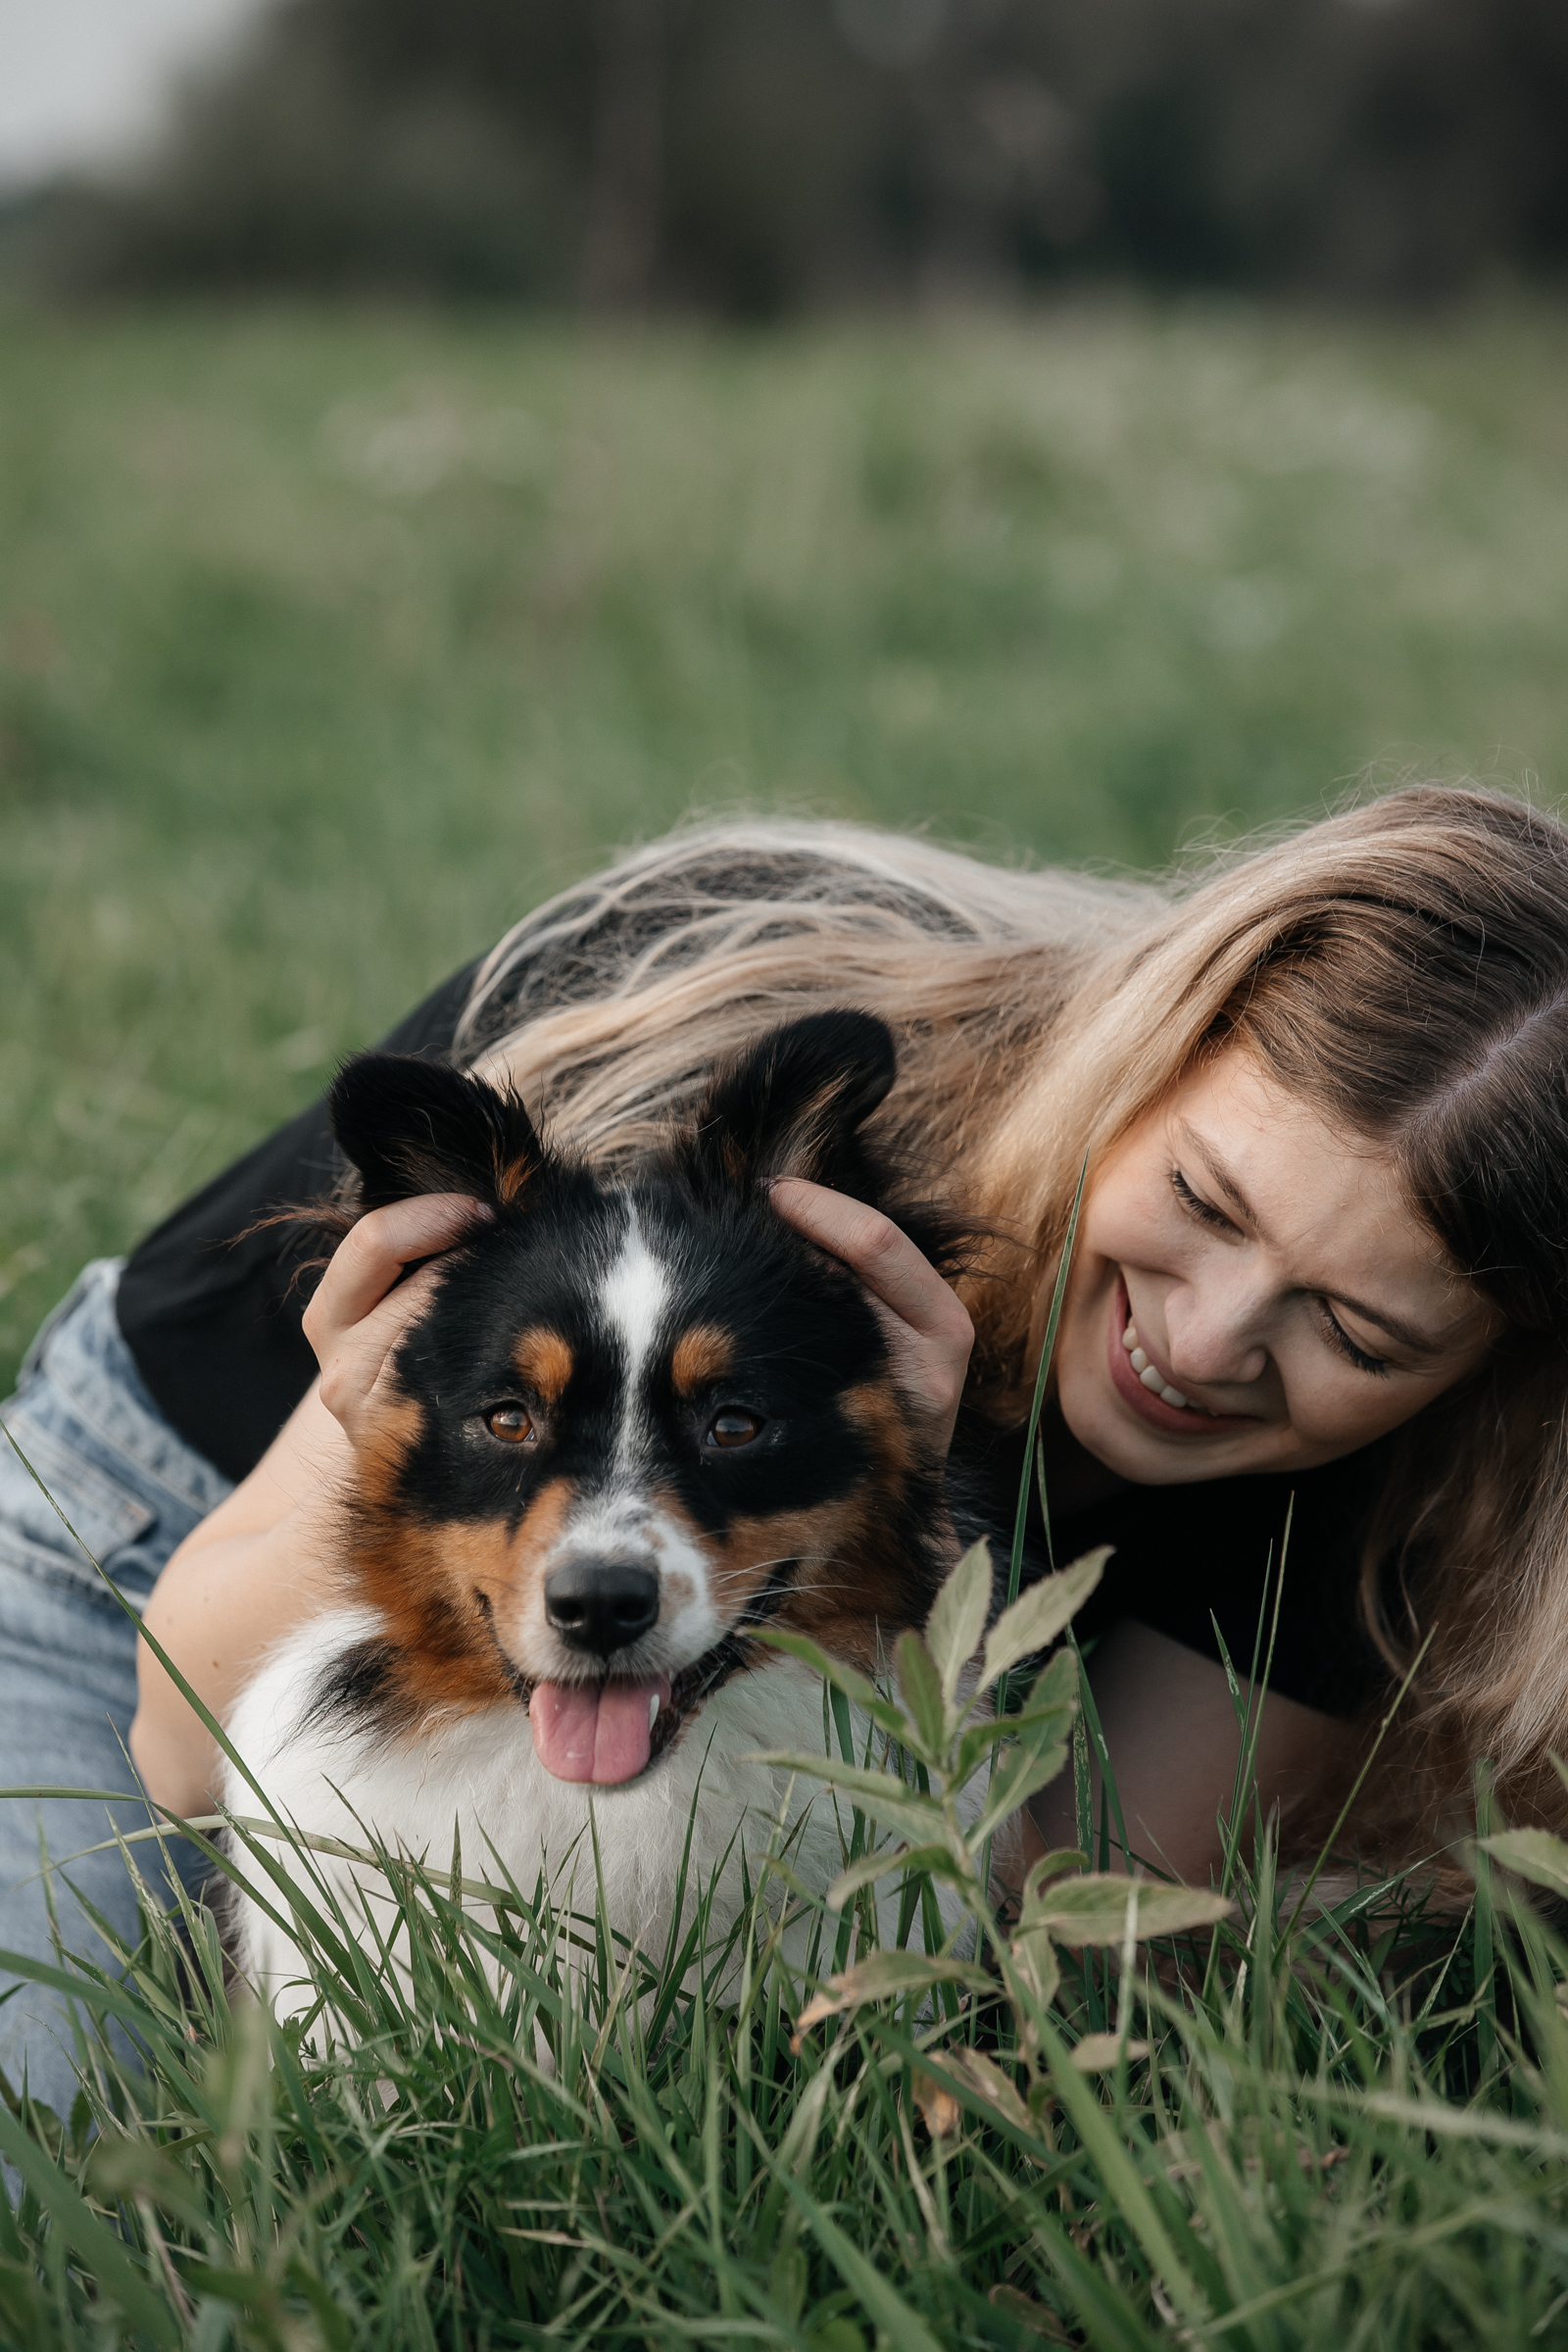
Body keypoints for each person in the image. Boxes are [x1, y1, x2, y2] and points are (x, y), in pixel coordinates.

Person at [4, 783, 1564, 2119]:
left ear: (1479, 1373)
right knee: (54, 2142)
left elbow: (1049, 1931)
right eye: (1209, 1203)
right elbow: (190, 1744)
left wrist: (922, 1500)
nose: (1209, 1341)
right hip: (138, 1546)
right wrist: (388, 1446)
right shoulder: (724, 1033)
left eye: (1357, 1334)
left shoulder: (1398, 1486)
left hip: (687, 1689)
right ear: (1158, 1043)